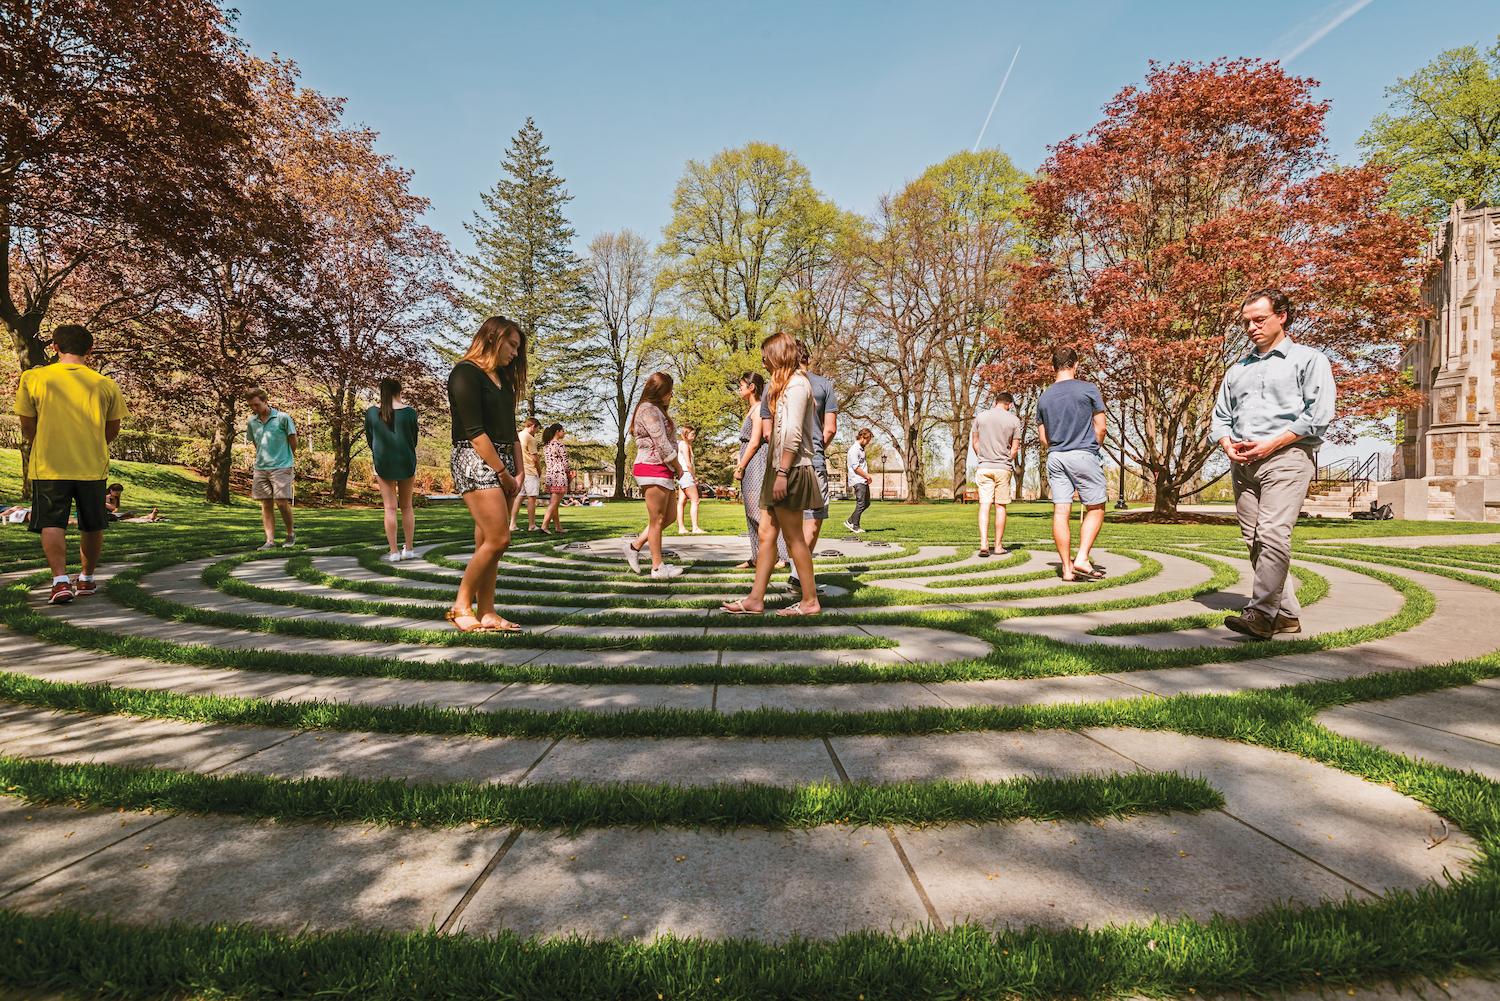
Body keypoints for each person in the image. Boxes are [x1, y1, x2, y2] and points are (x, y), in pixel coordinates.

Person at [1212, 288, 1335, 640]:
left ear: (1281, 316)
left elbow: (1318, 414)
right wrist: (1227, 445)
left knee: (1272, 534)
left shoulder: (1309, 360)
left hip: (1287, 458)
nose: (1251, 328)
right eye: (1246, 322)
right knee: (1254, 538)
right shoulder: (1237, 370)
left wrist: (1271, 444)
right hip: (1243, 464)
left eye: (1259, 320)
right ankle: (1286, 615)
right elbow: (1220, 418)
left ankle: (1261, 612)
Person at [14, 324, 127, 603]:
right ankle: (87, 579)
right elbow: (113, 428)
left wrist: (40, 440)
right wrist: (94, 443)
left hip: (49, 464)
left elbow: (27, 422)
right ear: (90, 350)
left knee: (52, 522)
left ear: (55, 347)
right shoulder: (105, 384)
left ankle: (60, 581)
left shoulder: (34, 378)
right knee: (92, 524)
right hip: (91, 465)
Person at [722, 332, 823, 616]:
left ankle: (810, 601)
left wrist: (781, 473)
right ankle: (756, 599)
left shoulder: (798, 386)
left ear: (778, 355)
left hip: (789, 470)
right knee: (766, 534)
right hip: (777, 469)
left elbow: (791, 435)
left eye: (766, 355)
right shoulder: (783, 386)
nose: (763, 361)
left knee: (794, 539)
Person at [446, 315, 526, 633]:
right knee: (498, 538)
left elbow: (511, 429)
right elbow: (476, 433)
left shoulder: (502, 380)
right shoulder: (465, 374)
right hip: (474, 456)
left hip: (504, 459)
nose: (516, 353)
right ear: (494, 338)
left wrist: (518, 472)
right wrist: (505, 474)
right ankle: (461, 605)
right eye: (512, 345)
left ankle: (488, 611)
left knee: (485, 539)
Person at [1037, 347, 1107, 581]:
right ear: (1075, 364)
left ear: (1053, 366)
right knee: (1096, 507)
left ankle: (1066, 569)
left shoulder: (1044, 397)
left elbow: (1043, 438)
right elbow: (1101, 426)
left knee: (1061, 511)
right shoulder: (1088, 389)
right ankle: (1082, 558)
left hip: (1056, 456)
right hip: (1083, 453)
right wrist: (1093, 447)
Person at [622, 373, 684, 579]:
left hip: (663, 468)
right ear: (660, 391)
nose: (671, 395)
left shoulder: (656, 410)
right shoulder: (647, 409)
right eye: (669, 391)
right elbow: (662, 443)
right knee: (657, 520)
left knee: (670, 517)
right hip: (651, 467)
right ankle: (658, 567)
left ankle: (634, 545)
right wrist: (679, 467)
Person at [732, 372, 789, 570]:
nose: (739, 389)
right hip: (749, 463)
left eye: (741, 385)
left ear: (752, 387)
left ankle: (782, 556)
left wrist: (741, 466)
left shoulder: (758, 410)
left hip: (756, 463)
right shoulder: (750, 410)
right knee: (750, 511)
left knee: (762, 512)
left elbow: (755, 442)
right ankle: (758, 556)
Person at [365, 377, 419, 562]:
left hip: (383, 463)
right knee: (407, 506)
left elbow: (370, 439)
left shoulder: (372, 413)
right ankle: (409, 549)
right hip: (406, 461)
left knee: (389, 508)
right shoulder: (410, 413)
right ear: (399, 391)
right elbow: (414, 439)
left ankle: (394, 551)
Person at [245, 389, 298, 550]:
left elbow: (293, 440)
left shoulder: (283, 418)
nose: (254, 408)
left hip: (282, 466)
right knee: (265, 504)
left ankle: (290, 534)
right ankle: (270, 541)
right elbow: (256, 443)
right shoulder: (251, 422)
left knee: (281, 502)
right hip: (261, 468)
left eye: (257, 404)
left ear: (265, 401)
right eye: (251, 405)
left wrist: (287, 458)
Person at [971, 392, 1021, 557]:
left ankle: (984, 544)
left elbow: (975, 442)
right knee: (1000, 507)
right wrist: (1007, 458)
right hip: (1002, 468)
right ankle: (998, 546)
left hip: (984, 467)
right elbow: (1014, 449)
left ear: (995, 402)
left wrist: (982, 456)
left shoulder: (981, 417)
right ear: (1010, 404)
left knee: (985, 505)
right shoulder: (1014, 420)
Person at [510, 416, 542, 532]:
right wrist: (539, 471)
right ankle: (532, 525)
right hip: (530, 470)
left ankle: (512, 524)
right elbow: (534, 458)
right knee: (532, 498)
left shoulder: (518, 436)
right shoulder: (530, 438)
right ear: (533, 426)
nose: (537, 431)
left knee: (519, 497)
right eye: (537, 429)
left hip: (520, 471)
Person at [675, 425, 707, 534]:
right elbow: (688, 464)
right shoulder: (685, 445)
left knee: (681, 501)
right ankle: (695, 528)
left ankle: (681, 528)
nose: (694, 436)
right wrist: (694, 477)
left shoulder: (682, 444)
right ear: (686, 434)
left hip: (681, 475)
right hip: (687, 474)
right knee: (695, 500)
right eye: (692, 434)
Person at [540, 422, 570, 534]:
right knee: (554, 503)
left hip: (550, 475)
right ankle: (544, 525)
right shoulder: (559, 445)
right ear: (557, 432)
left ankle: (558, 527)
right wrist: (569, 473)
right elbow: (565, 462)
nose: (564, 432)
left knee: (555, 502)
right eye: (562, 430)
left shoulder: (546, 445)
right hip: (559, 475)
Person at [844, 428, 874, 533]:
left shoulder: (861, 449)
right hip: (857, 480)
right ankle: (855, 525)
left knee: (866, 503)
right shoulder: (854, 449)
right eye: (868, 439)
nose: (868, 442)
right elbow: (856, 468)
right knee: (861, 503)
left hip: (863, 479)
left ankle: (850, 521)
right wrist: (867, 476)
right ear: (862, 437)